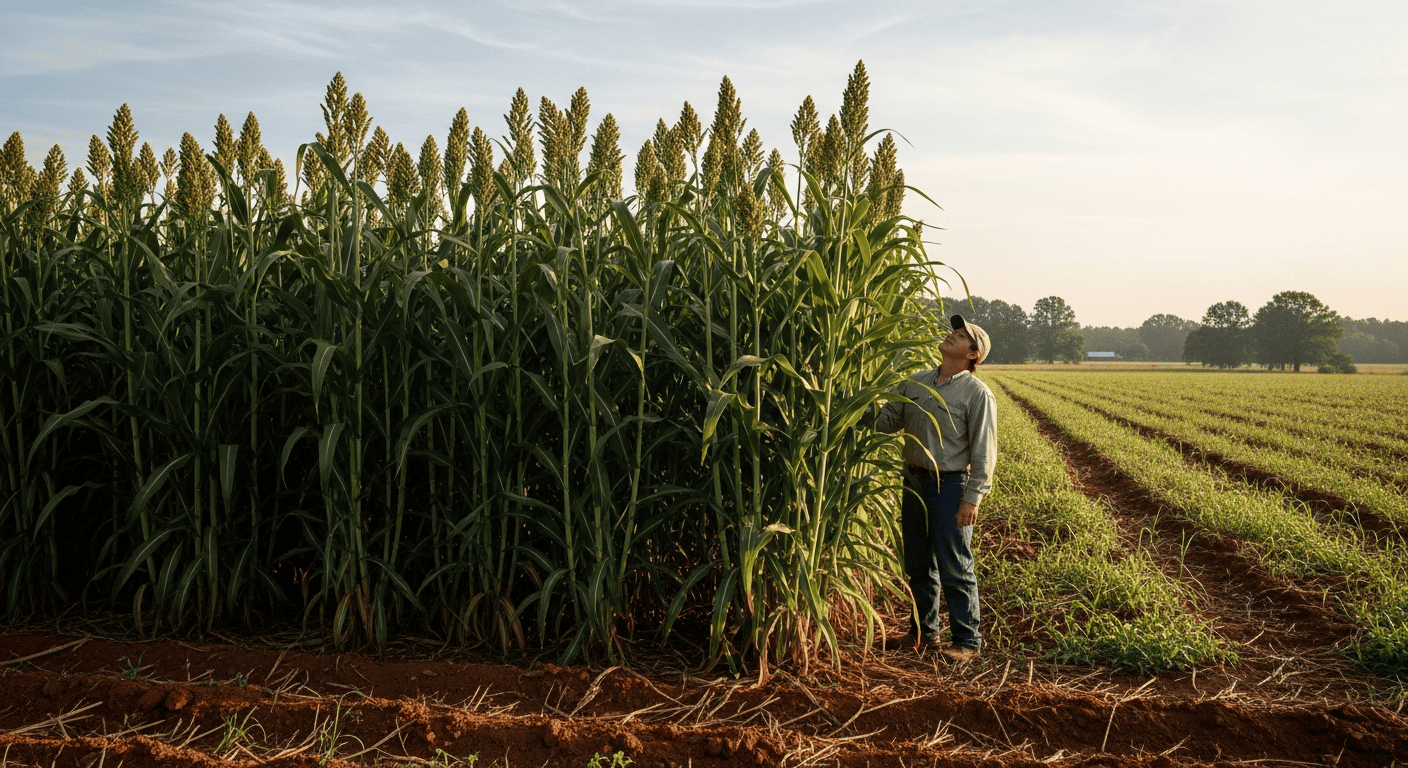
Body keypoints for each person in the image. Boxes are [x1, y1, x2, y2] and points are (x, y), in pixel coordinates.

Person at [868, 314, 996, 662]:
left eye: (963, 335)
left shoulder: (976, 393)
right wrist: (859, 404)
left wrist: (972, 499)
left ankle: (967, 642)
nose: (954, 335)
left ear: (974, 354)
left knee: (955, 565)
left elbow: (984, 451)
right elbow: (886, 423)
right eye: (954, 331)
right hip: (912, 480)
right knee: (919, 564)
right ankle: (923, 636)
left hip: (951, 485)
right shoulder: (916, 382)